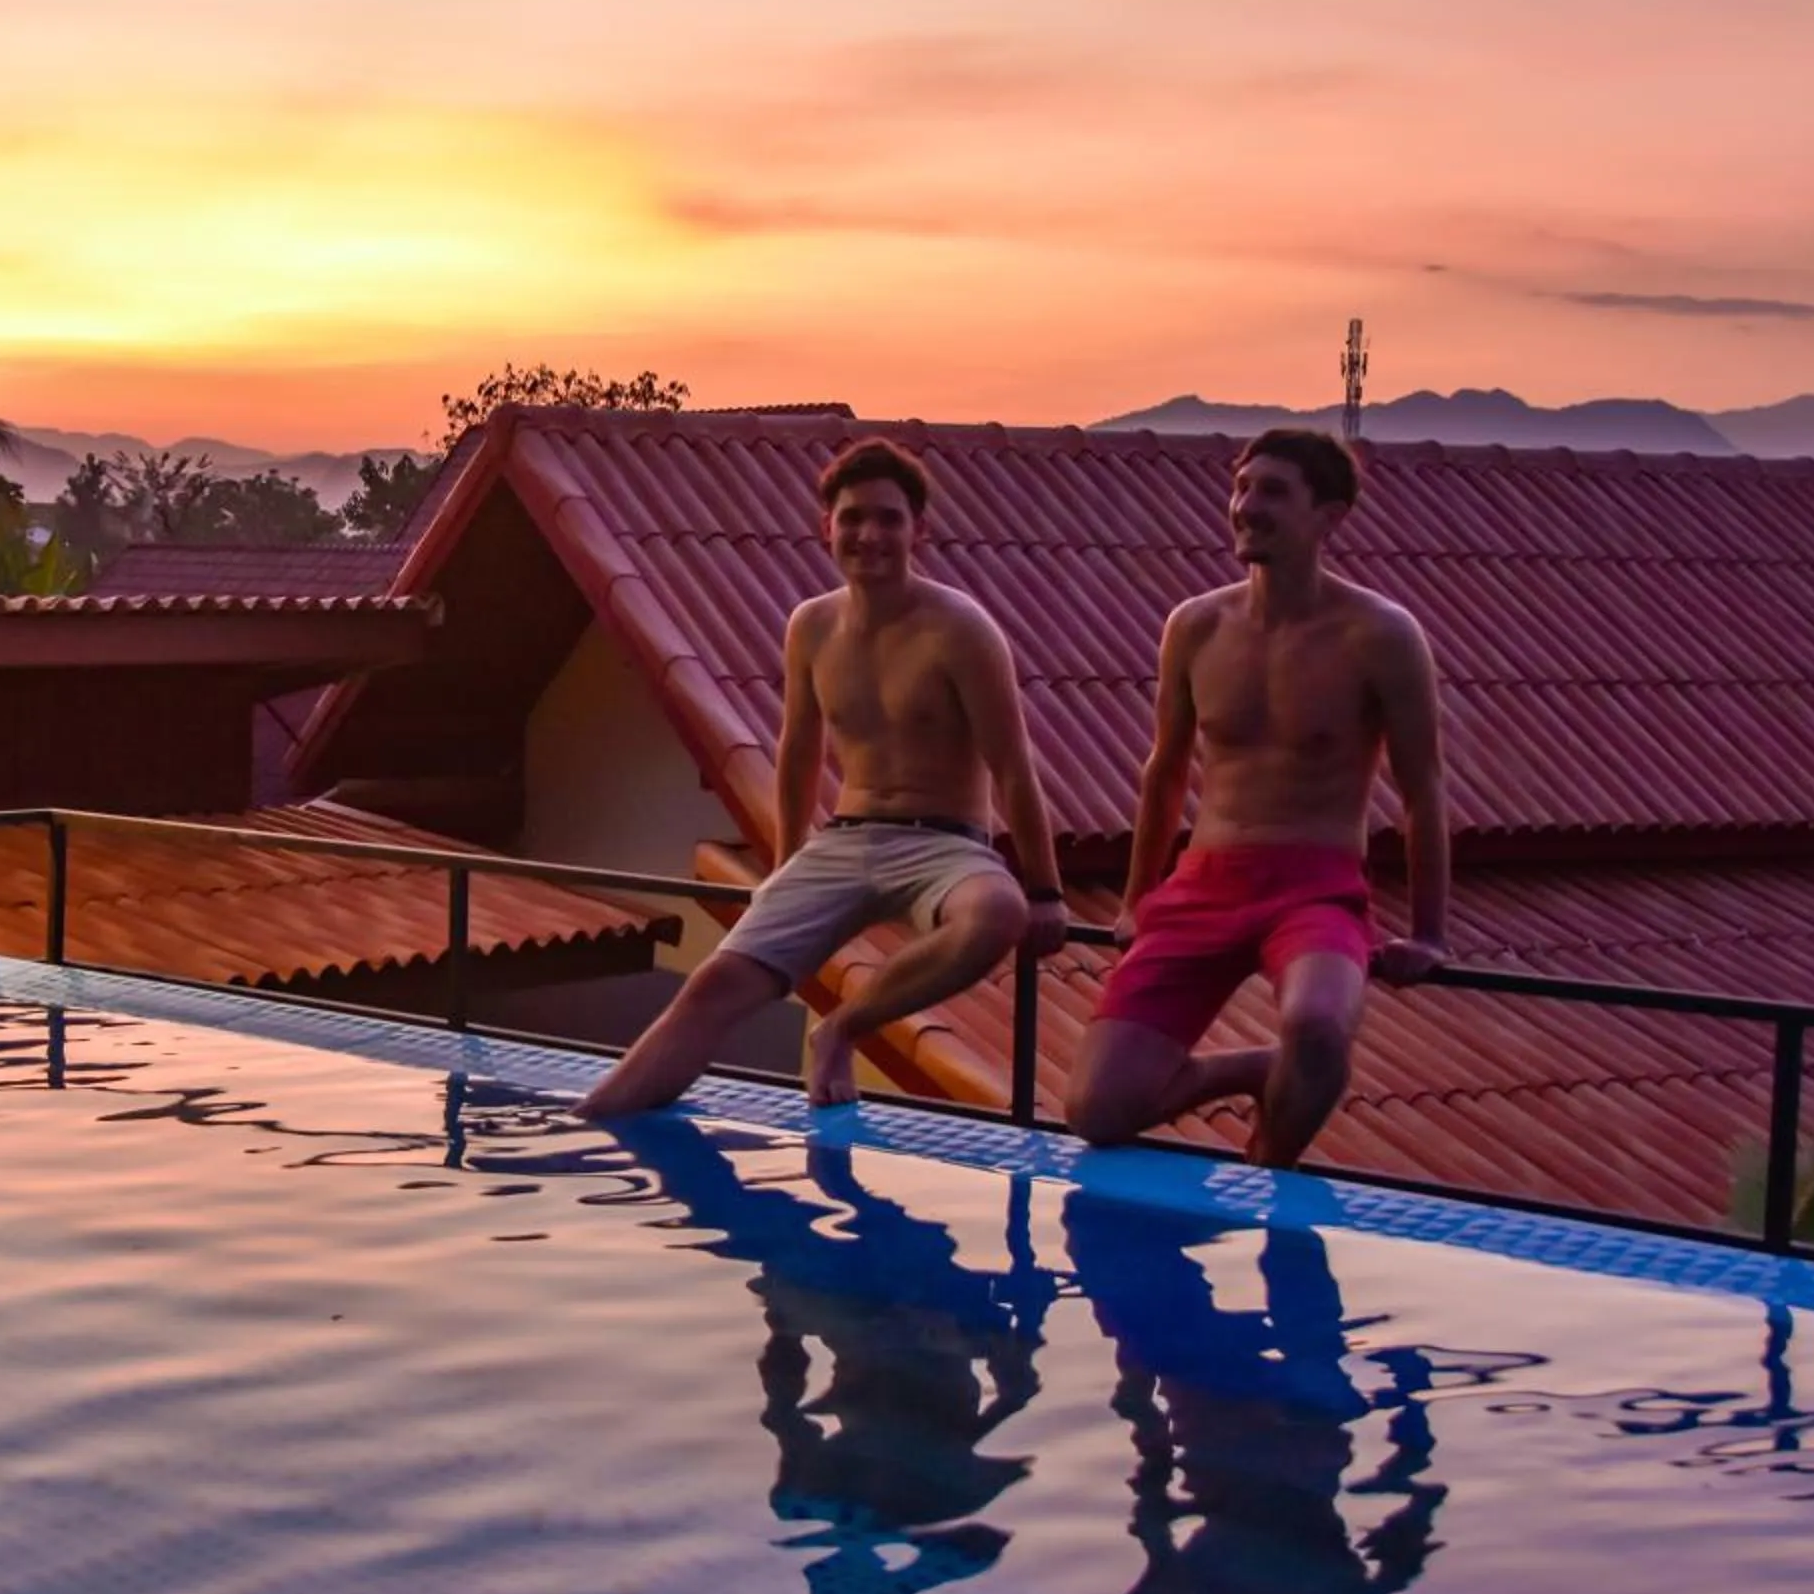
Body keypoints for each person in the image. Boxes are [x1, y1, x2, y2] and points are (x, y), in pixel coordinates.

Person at [577, 437, 1067, 1117]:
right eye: (854, 517)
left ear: (919, 530)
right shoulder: (812, 625)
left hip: (945, 843)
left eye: (889, 518)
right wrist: (784, 866)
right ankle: (592, 1122)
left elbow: (1013, 764)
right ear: (826, 527)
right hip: (845, 839)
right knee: (713, 986)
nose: (870, 534)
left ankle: (844, 1027)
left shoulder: (961, 629)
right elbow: (798, 750)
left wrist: (1045, 889)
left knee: (998, 914)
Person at [1065, 427, 1449, 1166]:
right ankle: (1252, 1070)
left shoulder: (1380, 634)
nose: (1246, 506)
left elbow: (1423, 788)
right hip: (1204, 882)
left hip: (1316, 887)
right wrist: (1136, 899)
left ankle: (1270, 1164)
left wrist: (1430, 933)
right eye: (1241, 488)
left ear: (1328, 516)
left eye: (1272, 492)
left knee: (1318, 1025)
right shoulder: (1196, 625)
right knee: (1097, 1111)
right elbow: (1165, 771)